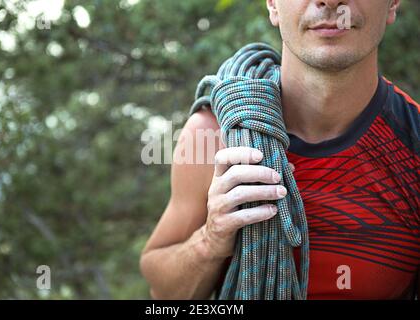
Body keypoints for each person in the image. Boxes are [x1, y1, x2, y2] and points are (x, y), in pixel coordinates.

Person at [140, 0, 420, 299]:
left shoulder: (413, 146)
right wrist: (210, 240)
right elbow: (162, 292)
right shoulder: (214, 135)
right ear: (273, 5)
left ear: (392, 4)